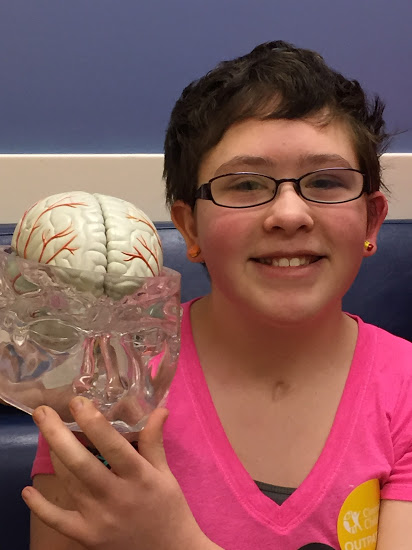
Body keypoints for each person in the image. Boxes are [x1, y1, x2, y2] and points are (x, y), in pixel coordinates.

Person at [23, 40, 412, 550]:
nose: (290, 214)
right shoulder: (110, 376)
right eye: (246, 185)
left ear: (371, 218)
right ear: (190, 228)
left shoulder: (404, 390)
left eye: (325, 181)